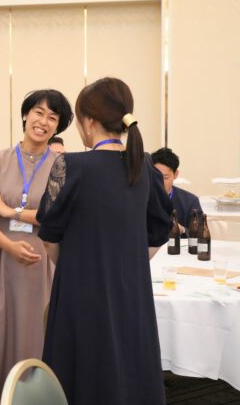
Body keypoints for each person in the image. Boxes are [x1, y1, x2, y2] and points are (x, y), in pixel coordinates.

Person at [38, 77, 172, 405]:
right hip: (133, 293)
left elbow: (50, 235)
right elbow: (160, 231)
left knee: (82, 374)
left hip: (79, 292)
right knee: (130, 369)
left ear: (89, 121)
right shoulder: (146, 167)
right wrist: (129, 263)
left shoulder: (70, 165)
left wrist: (73, 265)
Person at [0, 89, 73, 405]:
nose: (43, 121)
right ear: (25, 115)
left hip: (42, 260)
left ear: (58, 126)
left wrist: (10, 211)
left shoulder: (62, 165)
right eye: (38, 112)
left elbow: (56, 215)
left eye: (52, 117)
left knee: (35, 335)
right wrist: (9, 246)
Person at [151, 147, 202, 235]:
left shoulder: (190, 201)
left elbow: (200, 235)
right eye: (156, 177)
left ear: (175, 174)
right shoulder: (142, 198)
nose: (160, 182)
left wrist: (182, 230)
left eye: (165, 178)